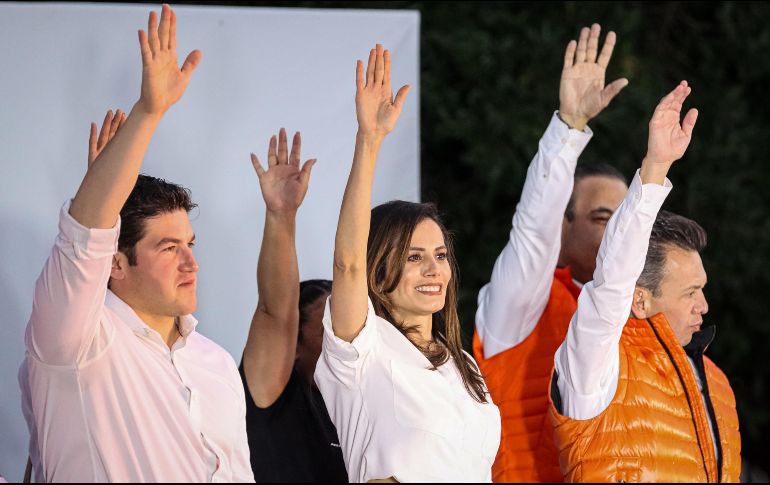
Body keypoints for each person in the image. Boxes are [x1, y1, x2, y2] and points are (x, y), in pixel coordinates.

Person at [18, 5, 253, 482]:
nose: (192, 263)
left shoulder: (217, 362)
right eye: (168, 248)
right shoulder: (76, 341)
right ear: (116, 264)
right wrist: (149, 112)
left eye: (190, 244)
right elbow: (83, 241)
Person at [314, 44, 501, 483]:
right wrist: (369, 142)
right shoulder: (361, 348)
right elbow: (347, 265)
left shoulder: (463, 365)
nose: (434, 270)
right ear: (379, 269)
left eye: (440, 256)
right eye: (414, 258)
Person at [549, 81, 741, 482]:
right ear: (639, 300)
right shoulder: (597, 365)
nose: (703, 305)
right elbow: (611, 283)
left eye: (702, 289)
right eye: (689, 292)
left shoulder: (718, 383)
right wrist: (656, 167)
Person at [472, 23, 628, 482]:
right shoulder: (522, 306)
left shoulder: (646, 320)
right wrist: (569, 127)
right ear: (565, 225)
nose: (618, 236)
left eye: (626, 223)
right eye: (603, 219)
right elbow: (533, 234)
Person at [239, 128, 347, 482]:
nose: (344, 330)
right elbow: (276, 309)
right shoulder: (276, 398)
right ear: (293, 348)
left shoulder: (360, 408)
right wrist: (282, 216)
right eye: (329, 322)